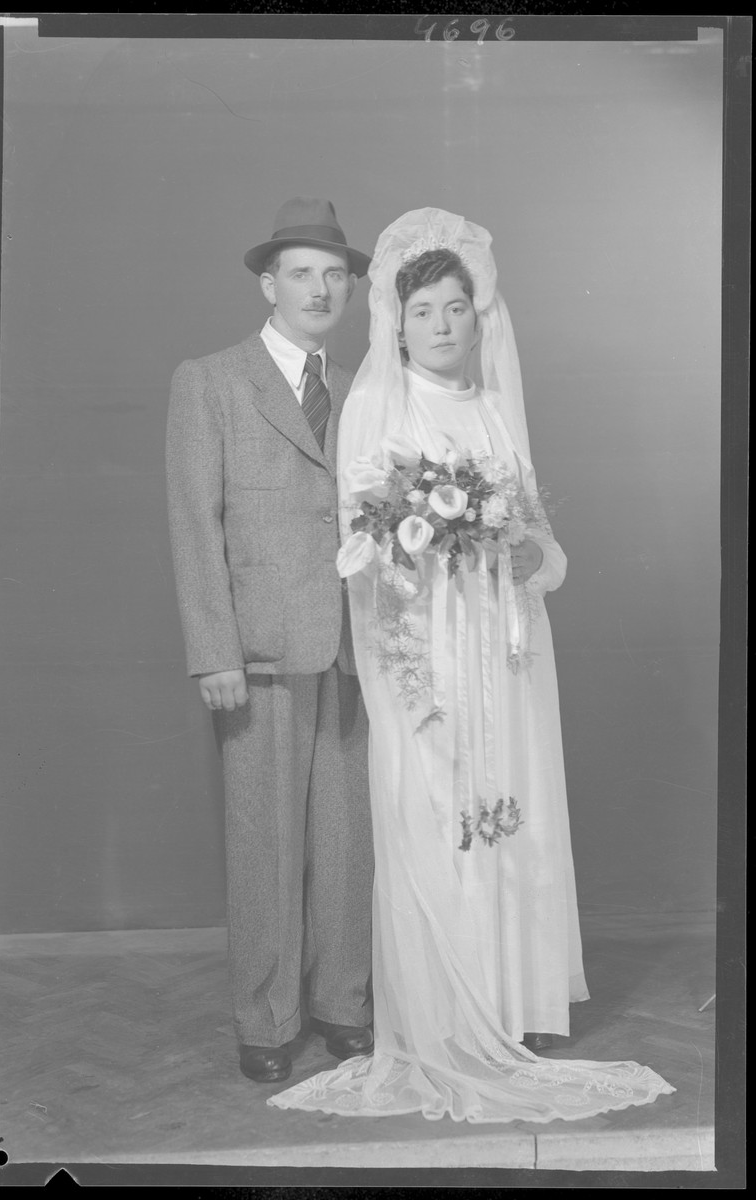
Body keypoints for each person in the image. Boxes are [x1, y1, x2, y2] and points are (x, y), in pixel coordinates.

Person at [268, 207, 674, 1122]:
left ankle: (508, 1002)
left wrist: (536, 557)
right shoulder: (379, 404)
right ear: (396, 322)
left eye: (457, 309)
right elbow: (359, 549)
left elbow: (540, 535)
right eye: (424, 313)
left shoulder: (491, 409)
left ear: (478, 317)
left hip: (506, 647)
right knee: (434, 808)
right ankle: (444, 1010)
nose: (444, 327)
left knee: (511, 810)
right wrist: (414, 623)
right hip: (424, 647)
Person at [166, 198, 375, 1084]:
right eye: (302, 272)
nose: (321, 288)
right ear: (268, 283)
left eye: (335, 274)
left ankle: (342, 1006)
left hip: (357, 648)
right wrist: (213, 651)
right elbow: (193, 522)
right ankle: (266, 1019)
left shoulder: (368, 387)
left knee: (345, 838)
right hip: (256, 650)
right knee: (264, 842)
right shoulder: (211, 381)